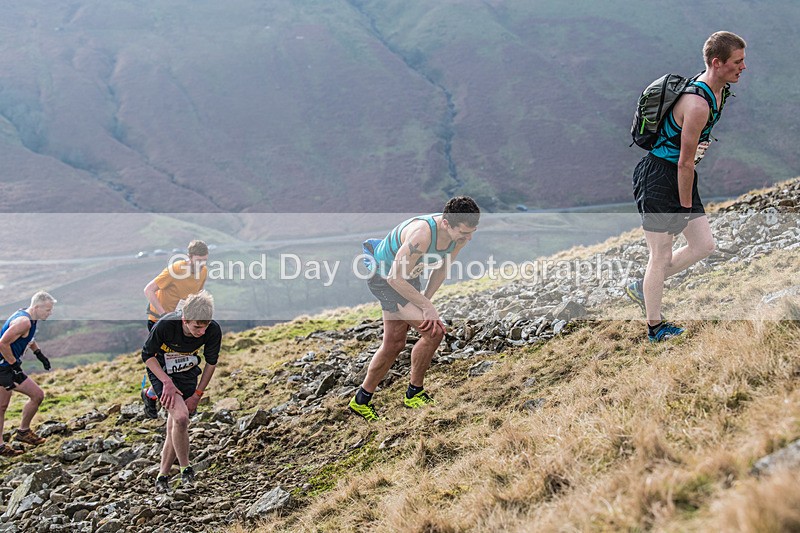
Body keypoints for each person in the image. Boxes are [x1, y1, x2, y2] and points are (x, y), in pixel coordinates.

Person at [627, 31, 746, 342]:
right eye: (738, 61)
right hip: (659, 177)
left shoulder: (717, 91)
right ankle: (655, 328)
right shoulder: (697, 105)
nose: (743, 67)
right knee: (660, 255)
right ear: (717, 63)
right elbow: (683, 162)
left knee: (704, 245)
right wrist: (682, 206)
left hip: (680, 177)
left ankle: (643, 287)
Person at [349, 196, 480, 421]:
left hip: (408, 279)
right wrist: (426, 308)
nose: (468, 238)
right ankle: (414, 393)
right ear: (447, 224)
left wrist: (424, 302)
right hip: (385, 278)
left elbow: (442, 269)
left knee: (394, 343)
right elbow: (393, 277)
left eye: (472, 231)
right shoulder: (421, 236)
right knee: (434, 332)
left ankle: (361, 400)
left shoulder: (457, 238)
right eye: (464, 232)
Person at [142, 291, 221, 492]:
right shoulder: (166, 325)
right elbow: (147, 355)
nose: (201, 332)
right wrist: (166, 382)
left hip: (186, 371)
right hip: (162, 372)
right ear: (185, 320)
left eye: (205, 327)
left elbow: (211, 364)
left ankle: (162, 476)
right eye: (196, 327)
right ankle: (186, 469)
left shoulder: (212, 330)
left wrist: (197, 395)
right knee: (181, 418)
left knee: (175, 425)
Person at [141, 240, 209, 418]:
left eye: (204, 260)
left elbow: (196, 296)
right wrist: (164, 315)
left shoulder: (203, 272)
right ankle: (151, 395)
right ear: (189, 258)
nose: (201, 264)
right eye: (198, 260)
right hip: (159, 321)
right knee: (162, 364)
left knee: (180, 362)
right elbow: (148, 290)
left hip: (182, 321)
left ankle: (180, 402)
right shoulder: (175, 270)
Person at [0, 291, 56, 457]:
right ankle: (23, 432)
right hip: (4, 367)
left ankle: (2, 446)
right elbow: (2, 343)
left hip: (5, 366)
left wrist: (39, 354)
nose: (50, 313)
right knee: (37, 395)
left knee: (1, 407)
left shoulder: (29, 317)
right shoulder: (24, 322)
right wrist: (14, 365)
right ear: (37, 307)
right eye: (47, 309)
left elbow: (27, 339)